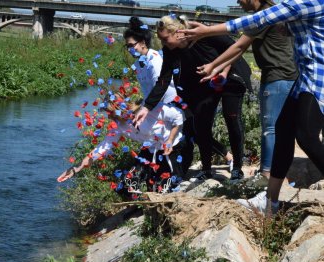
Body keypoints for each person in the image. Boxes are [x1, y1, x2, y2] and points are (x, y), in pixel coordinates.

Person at [178, 0, 324, 214]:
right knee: (283, 131)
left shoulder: (311, 2)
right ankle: (270, 202)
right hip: (304, 77)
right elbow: (251, 36)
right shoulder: (295, 6)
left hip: (319, 77)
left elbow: (258, 20)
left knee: (306, 136)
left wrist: (207, 31)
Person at [186, 0, 298, 180]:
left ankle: (267, 175)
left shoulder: (264, 15)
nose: (238, 1)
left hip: (277, 76)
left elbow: (238, 45)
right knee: (283, 129)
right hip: (286, 76)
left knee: (271, 129)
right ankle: (276, 176)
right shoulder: (274, 12)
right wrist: (216, 68)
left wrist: (213, 62)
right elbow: (241, 47)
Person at [134, 15, 252, 183]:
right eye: (160, 40)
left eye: (165, 39)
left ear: (177, 32)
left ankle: (238, 168)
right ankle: (206, 169)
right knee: (201, 124)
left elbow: (234, 49)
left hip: (231, 74)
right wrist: (146, 107)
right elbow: (163, 80)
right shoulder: (170, 50)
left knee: (230, 116)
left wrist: (223, 72)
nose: (163, 44)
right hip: (206, 81)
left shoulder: (202, 34)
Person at [57, 92, 185, 195]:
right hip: (150, 150)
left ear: (120, 107)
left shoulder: (149, 108)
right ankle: (137, 206)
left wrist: (169, 140)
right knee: (128, 183)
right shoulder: (119, 125)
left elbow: (179, 116)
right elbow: (102, 148)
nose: (109, 117)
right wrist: (75, 169)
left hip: (172, 147)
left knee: (166, 187)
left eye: (110, 112)